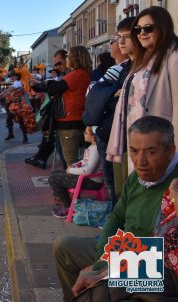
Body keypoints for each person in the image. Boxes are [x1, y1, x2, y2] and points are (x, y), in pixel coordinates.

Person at [53, 116, 178, 301]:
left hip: (157, 266)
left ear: (170, 152)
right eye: (134, 151)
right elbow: (117, 218)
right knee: (64, 247)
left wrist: (109, 271)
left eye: (151, 152)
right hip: (125, 251)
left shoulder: (175, 187)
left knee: (101, 290)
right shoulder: (138, 177)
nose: (140, 161)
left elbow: (166, 257)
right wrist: (101, 263)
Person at [108, 6, 178, 177]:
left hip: (160, 145)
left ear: (163, 27)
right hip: (139, 141)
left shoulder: (173, 58)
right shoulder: (144, 60)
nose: (142, 33)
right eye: (138, 29)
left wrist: (174, 151)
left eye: (148, 28)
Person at [82, 17, 134, 207]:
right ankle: (116, 227)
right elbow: (93, 92)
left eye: (124, 37)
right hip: (110, 131)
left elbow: (93, 92)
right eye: (117, 37)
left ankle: (118, 229)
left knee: (117, 185)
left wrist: (107, 94)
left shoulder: (125, 68)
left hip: (121, 134)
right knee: (116, 185)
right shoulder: (124, 69)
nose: (119, 42)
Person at [46, 46, 92, 168]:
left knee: (70, 161)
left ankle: (73, 184)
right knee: (67, 157)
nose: (67, 59)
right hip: (73, 120)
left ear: (74, 58)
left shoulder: (77, 74)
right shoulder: (83, 74)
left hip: (70, 121)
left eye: (68, 56)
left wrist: (42, 83)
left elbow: (53, 89)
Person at [25, 50, 69, 169]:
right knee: (49, 133)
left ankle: (41, 159)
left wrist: (38, 84)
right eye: (55, 65)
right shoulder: (65, 75)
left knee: (53, 138)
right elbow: (50, 87)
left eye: (59, 64)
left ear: (68, 60)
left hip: (67, 116)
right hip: (61, 114)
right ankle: (40, 158)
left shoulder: (71, 75)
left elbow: (54, 87)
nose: (57, 67)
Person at [48, 126, 102, 218]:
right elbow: (84, 162)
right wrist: (74, 165)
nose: (84, 134)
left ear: (93, 137)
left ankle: (68, 207)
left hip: (92, 181)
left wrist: (70, 170)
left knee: (53, 179)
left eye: (86, 133)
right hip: (86, 178)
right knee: (54, 173)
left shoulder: (96, 149)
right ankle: (67, 204)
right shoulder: (92, 147)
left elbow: (88, 170)